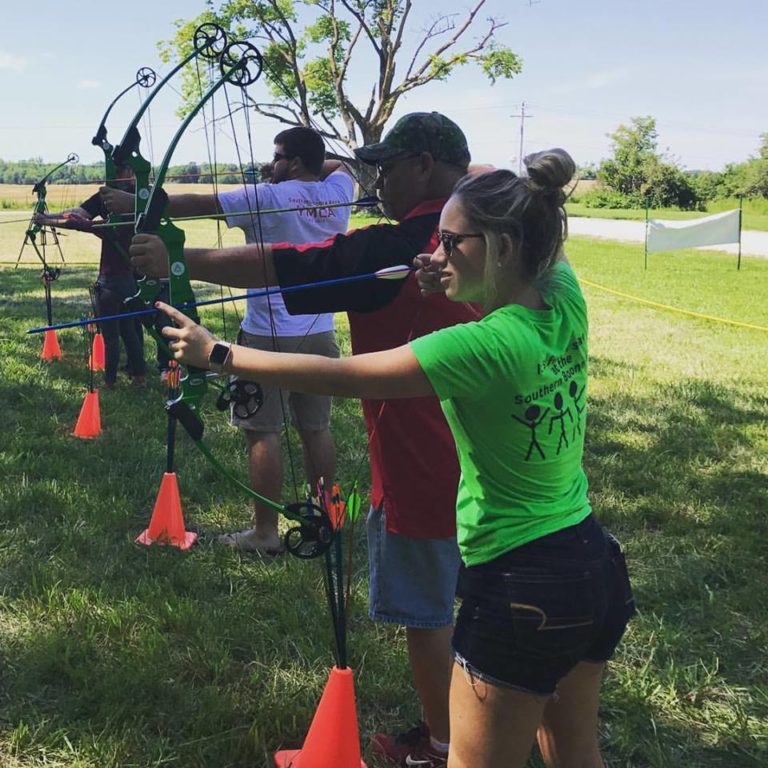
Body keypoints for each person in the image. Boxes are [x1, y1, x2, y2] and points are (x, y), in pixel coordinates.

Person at [154, 149, 635, 768]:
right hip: (591, 563)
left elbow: (344, 375)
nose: (434, 254)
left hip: (522, 585)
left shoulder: (481, 346)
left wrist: (218, 353)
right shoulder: (563, 297)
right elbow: (517, 222)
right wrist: (459, 270)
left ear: (503, 248)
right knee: (575, 755)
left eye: (450, 241)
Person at [131, 112, 481, 766]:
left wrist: (176, 255)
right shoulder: (496, 234)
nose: (378, 178)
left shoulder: (413, 246)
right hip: (501, 471)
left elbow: (293, 265)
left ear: (425, 165)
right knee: (482, 610)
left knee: (429, 617)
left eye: (390, 166)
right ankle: (485, 732)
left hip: (426, 467)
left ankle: (442, 746)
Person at [105, 126, 355, 556]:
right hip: (320, 334)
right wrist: (301, 168)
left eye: (277, 156)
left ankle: (265, 533)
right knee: (317, 428)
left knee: (263, 432)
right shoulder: (339, 190)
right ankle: (325, 516)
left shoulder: (268, 196)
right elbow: (343, 165)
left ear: (293, 162)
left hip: (265, 338)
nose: (270, 163)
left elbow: (195, 204)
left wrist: (135, 202)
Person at [37, 165, 146, 389]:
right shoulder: (136, 215)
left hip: (109, 285)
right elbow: (79, 217)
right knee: (129, 331)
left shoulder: (112, 224)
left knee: (111, 337)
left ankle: (110, 382)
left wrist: (45, 220)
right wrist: (49, 217)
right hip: (128, 282)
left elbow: (78, 223)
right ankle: (139, 377)